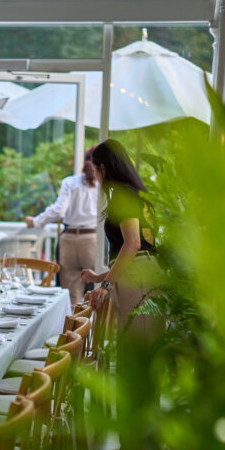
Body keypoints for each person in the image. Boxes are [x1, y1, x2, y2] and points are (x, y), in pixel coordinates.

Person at [80, 138, 160, 335]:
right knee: (144, 344)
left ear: (103, 168)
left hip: (136, 276)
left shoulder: (122, 196)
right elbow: (142, 249)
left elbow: (133, 244)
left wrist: (105, 286)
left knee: (136, 347)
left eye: (96, 171)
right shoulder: (136, 193)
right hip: (144, 272)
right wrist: (100, 277)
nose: (96, 177)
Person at [25, 148, 98, 305]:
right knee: (97, 293)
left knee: (72, 298)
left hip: (69, 239)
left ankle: (73, 329)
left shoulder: (70, 182)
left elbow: (59, 210)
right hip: (92, 241)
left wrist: (36, 221)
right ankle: (92, 328)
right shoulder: (102, 185)